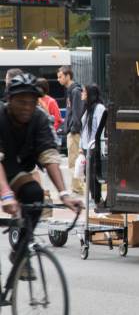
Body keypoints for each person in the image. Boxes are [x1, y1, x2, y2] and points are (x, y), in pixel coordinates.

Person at [0, 74, 83, 242]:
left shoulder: (39, 118)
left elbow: (49, 156)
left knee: (35, 194)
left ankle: (22, 248)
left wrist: (64, 194)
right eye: (22, 102)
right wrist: (6, 194)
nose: (27, 107)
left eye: (32, 102)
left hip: (16, 169)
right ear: (10, 99)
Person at [56, 65, 84, 195]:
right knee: (73, 161)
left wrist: (73, 129)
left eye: (60, 76)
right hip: (72, 131)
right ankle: (76, 187)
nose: (58, 79)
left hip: (74, 133)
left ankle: (78, 188)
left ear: (68, 76)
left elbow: (77, 113)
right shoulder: (72, 90)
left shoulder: (75, 91)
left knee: (74, 161)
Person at [79, 84, 106, 205]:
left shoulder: (99, 108)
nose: (82, 94)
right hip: (87, 146)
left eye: (84, 92)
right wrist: (81, 145)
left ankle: (96, 198)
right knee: (88, 173)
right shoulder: (87, 108)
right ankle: (94, 196)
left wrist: (101, 146)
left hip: (94, 146)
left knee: (94, 173)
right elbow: (83, 129)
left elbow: (102, 128)